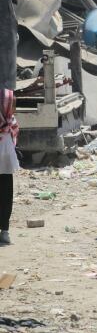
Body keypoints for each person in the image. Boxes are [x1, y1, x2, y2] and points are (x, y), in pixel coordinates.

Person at [0, 88, 18, 245]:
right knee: (6, 190)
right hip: (5, 148)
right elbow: (12, 116)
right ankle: (4, 230)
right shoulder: (8, 95)